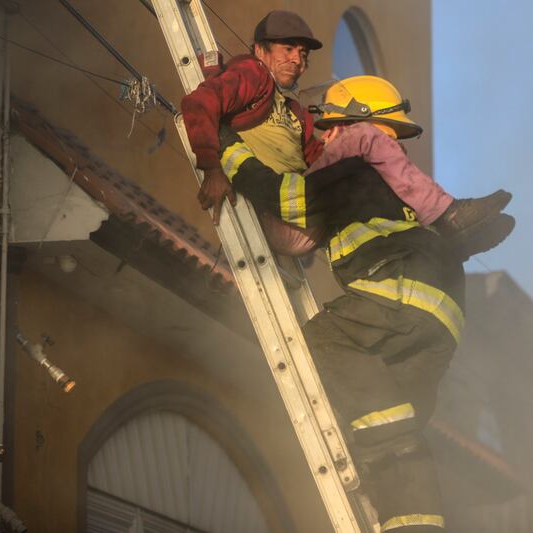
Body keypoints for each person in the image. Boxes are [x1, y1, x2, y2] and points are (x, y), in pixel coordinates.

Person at [216, 75, 510, 532]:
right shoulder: (396, 187)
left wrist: (229, 150)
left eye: (330, 127)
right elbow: (299, 239)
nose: (325, 138)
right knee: (396, 434)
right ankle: (412, 524)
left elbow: (288, 200)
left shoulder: (352, 166)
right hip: (443, 317)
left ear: (355, 123)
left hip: (398, 290)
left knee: (320, 341)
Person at [181, 10, 513, 259]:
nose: (298, 60)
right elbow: (197, 104)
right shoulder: (252, 73)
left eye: (304, 55)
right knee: (366, 137)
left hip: (302, 216)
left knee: (370, 175)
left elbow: (313, 159)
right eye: (288, 49)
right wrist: (211, 170)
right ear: (261, 49)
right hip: (275, 210)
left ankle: (443, 239)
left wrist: (332, 147)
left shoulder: (294, 112)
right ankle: (449, 216)